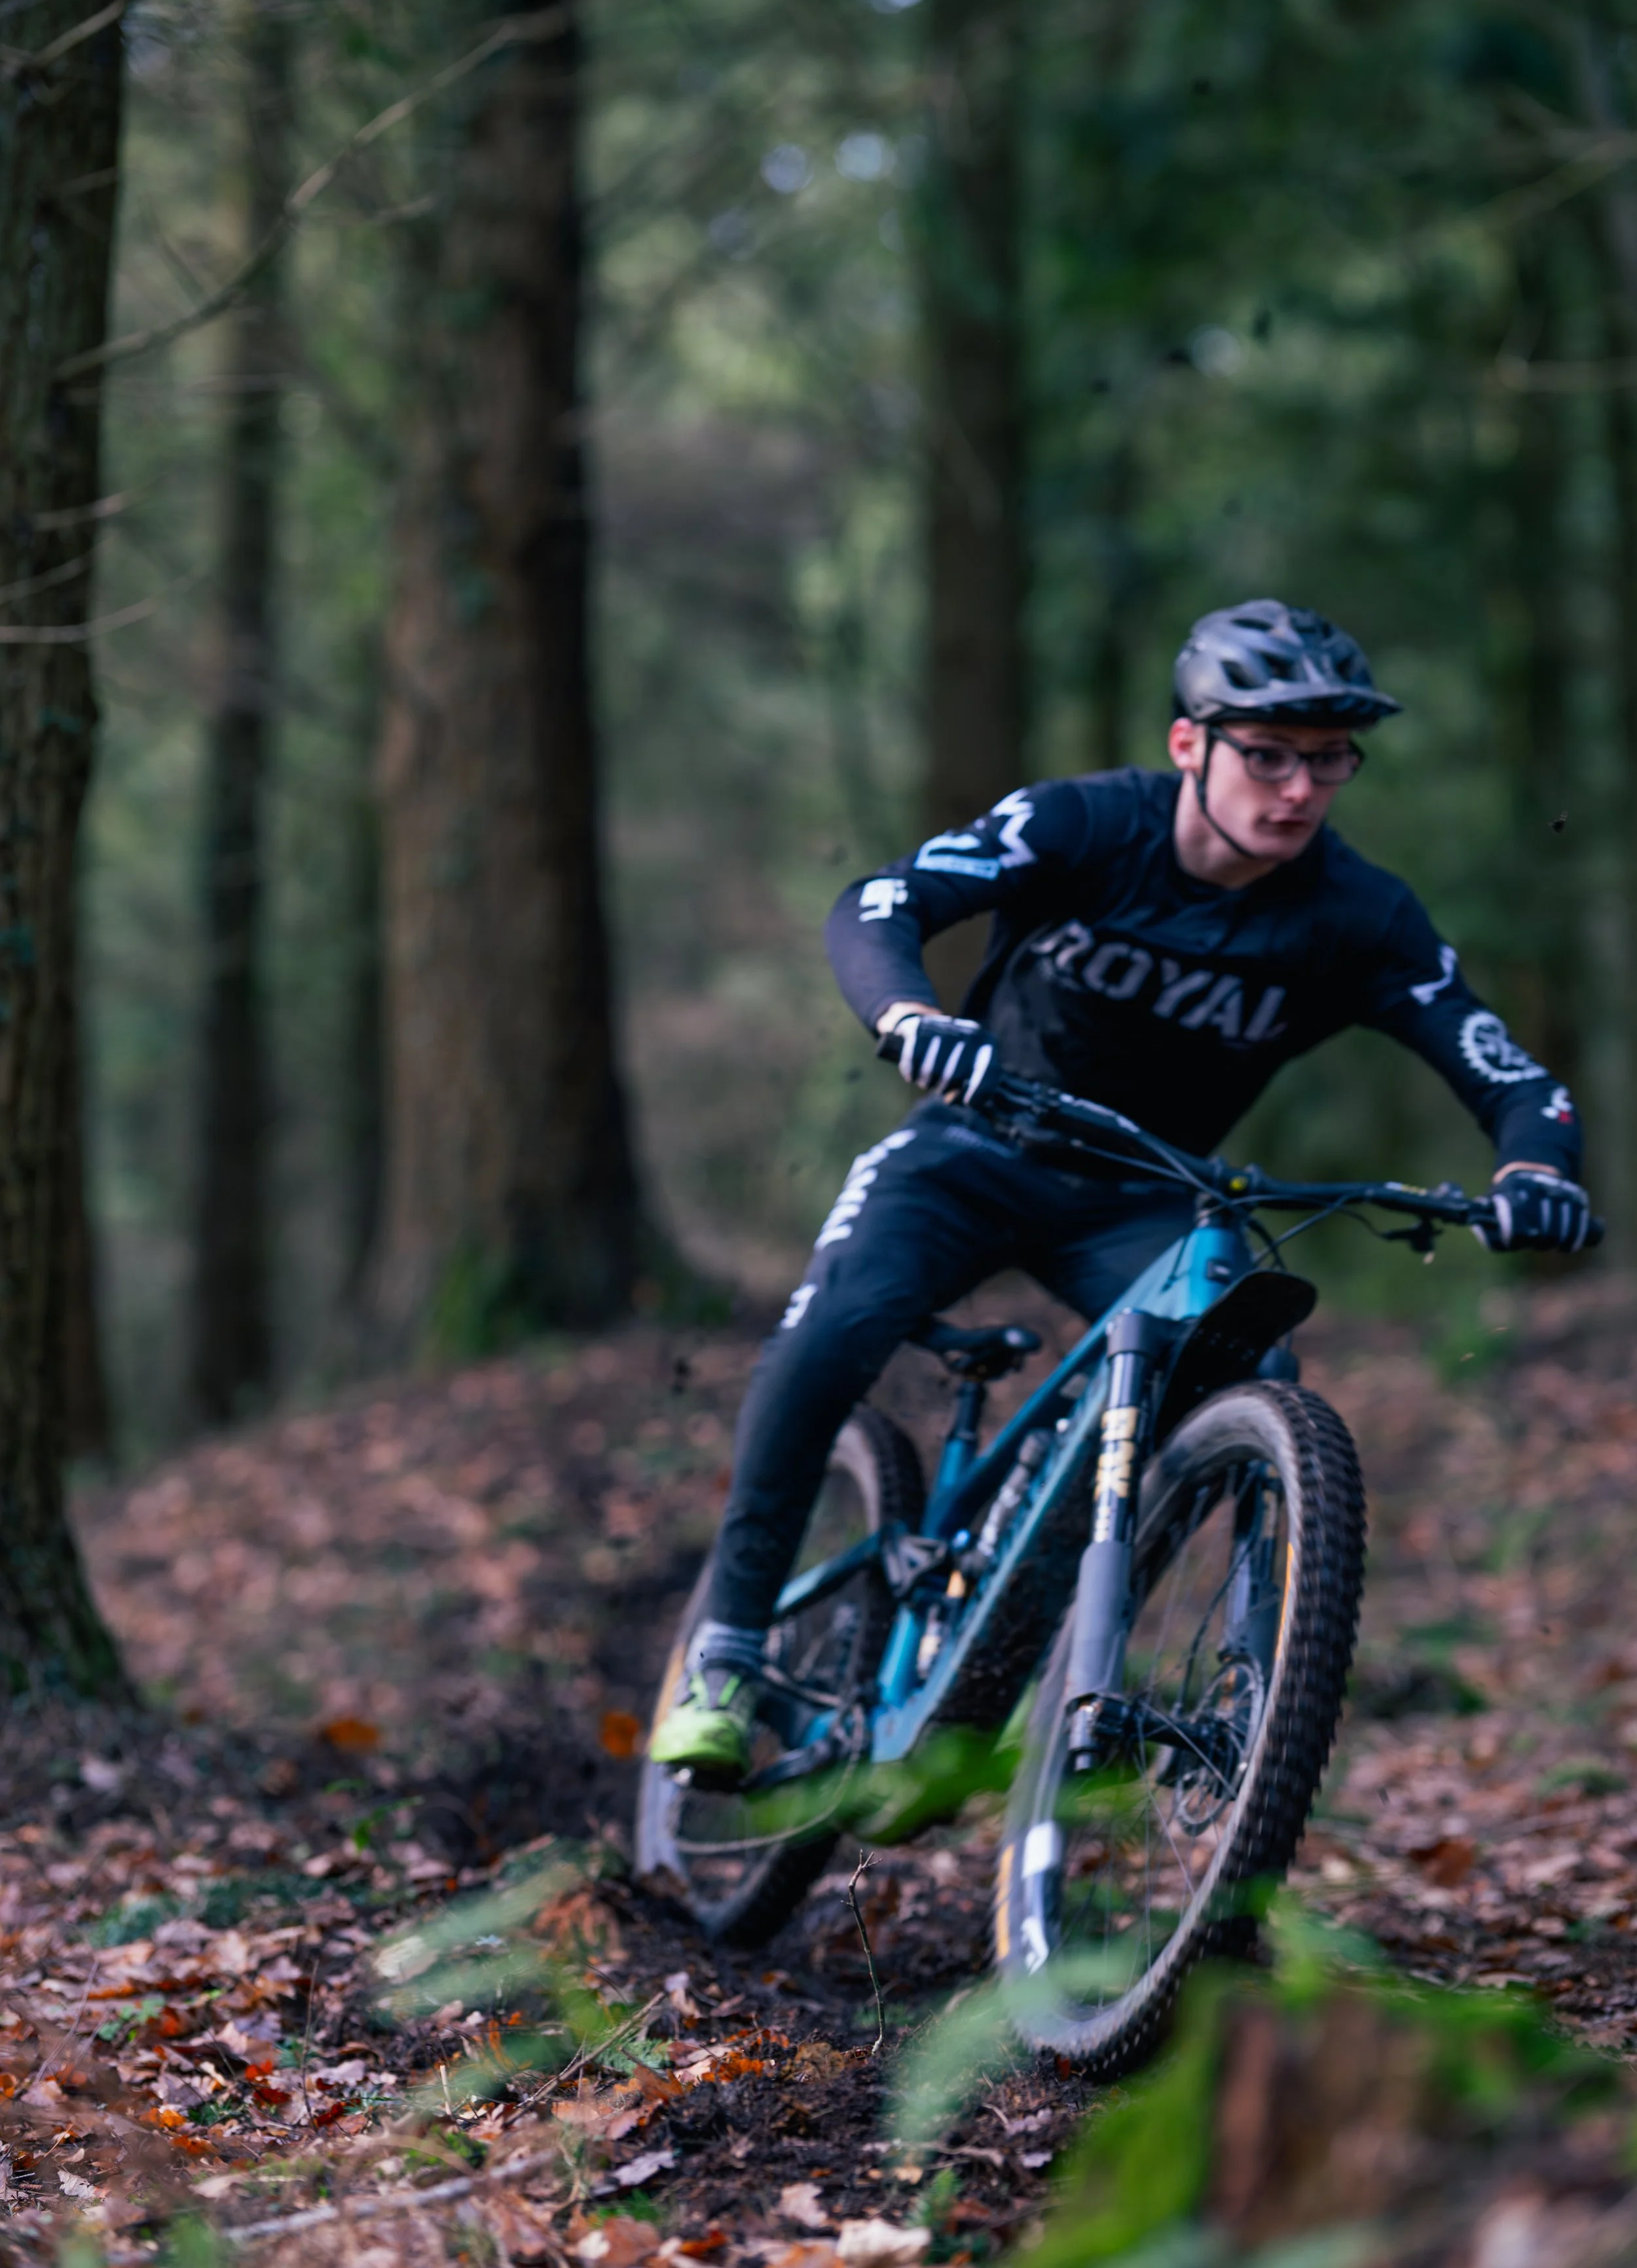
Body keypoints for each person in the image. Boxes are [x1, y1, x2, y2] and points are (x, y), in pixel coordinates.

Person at [650, 599, 1592, 1781]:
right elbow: (880, 901)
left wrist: (1535, 1169)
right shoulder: (1086, 824)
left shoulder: (1359, 916)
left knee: (1257, 1371)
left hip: (1148, 1193)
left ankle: (1223, 1696)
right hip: (973, 1150)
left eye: (1328, 760)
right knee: (835, 1326)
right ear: (1190, 744)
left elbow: (1509, 1072)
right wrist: (909, 1014)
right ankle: (727, 1652)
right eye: (1268, 755)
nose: (1299, 790)